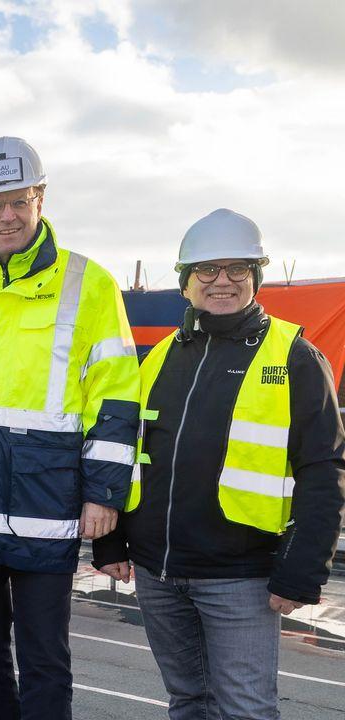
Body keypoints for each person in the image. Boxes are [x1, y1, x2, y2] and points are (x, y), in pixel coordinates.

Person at [0, 137, 141, 720]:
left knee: (44, 657)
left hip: (46, 502)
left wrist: (104, 493)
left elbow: (115, 396)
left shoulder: (89, 285)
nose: (6, 215)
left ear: (41, 199)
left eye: (19, 200)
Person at [94, 209, 345, 719]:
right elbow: (128, 450)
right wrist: (111, 538)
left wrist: (302, 568)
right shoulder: (161, 355)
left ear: (256, 277)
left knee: (245, 710)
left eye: (238, 269)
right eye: (207, 270)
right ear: (186, 281)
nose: (222, 282)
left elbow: (324, 470)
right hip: (157, 572)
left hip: (243, 577)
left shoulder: (294, 356)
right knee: (187, 703)